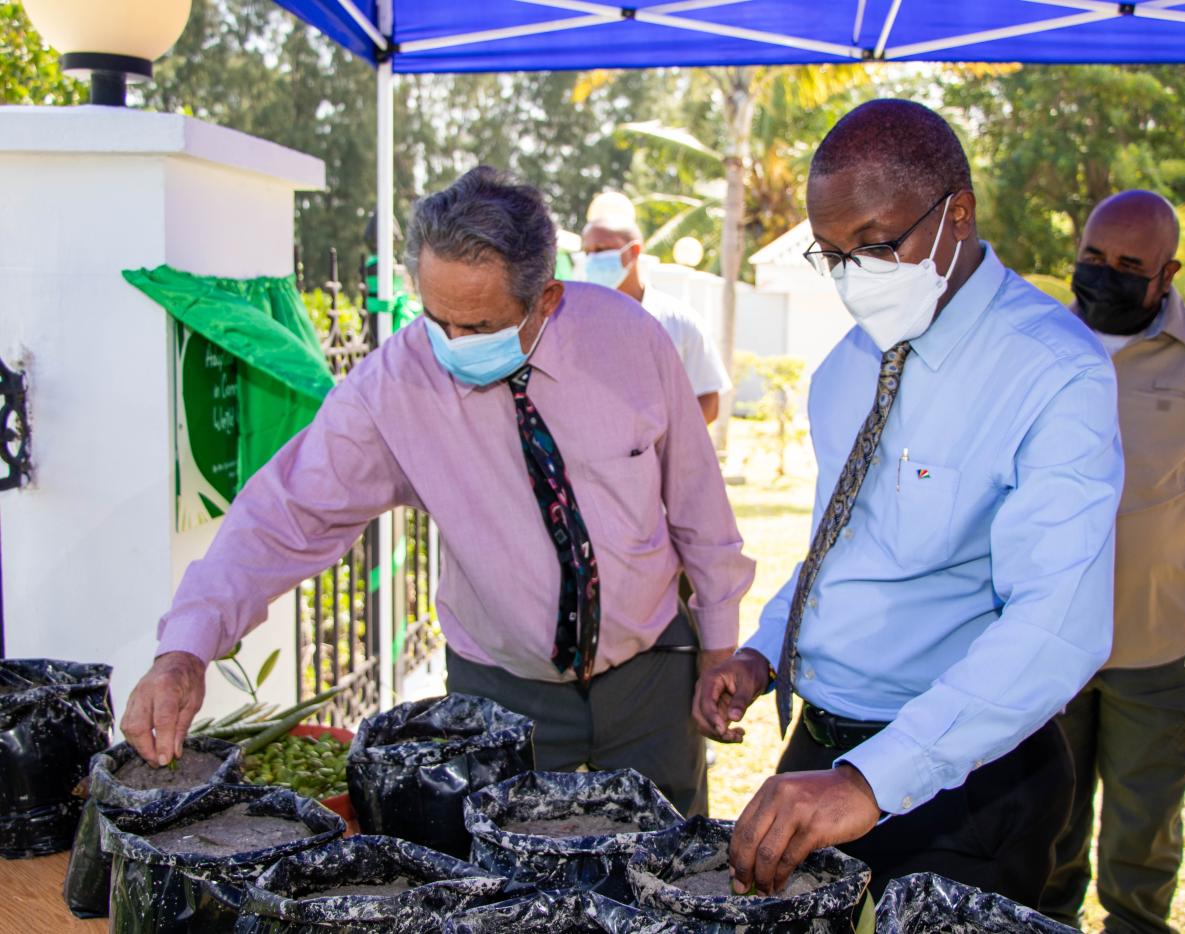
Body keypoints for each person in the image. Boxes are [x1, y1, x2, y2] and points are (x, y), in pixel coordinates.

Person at [121, 166, 754, 817]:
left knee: (661, 862)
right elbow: (284, 514)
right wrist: (186, 649)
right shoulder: (393, 385)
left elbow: (698, 501)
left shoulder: (629, 339)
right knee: (509, 885)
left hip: (651, 672)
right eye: (434, 318)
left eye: (479, 327)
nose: (451, 345)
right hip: (503, 689)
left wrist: (716, 646)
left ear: (546, 299)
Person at [692, 100, 1124, 907]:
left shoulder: (1053, 374)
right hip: (822, 747)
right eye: (833, 256)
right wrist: (765, 649)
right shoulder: (846, 368)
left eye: (877, 245)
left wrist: (870, 780)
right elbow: (840, 547)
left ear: (959, 212)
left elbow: (1058, 625)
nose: (857, 278)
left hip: (966, 782)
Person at [1041, 190, 1185, 934]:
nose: (1104, 275)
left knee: (1141, 841)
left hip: (1157, 649)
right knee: (1047, 825)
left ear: (1167, 273)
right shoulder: (1037, 345)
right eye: (1093, 258)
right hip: (1046, 643)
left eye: (1128, 265)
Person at [580, 193, 731, 424]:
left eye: (601, 250)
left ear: (634, 251)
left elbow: (708, 401)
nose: (592, 259)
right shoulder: (574, 324)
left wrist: (664, 441)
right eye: (587, 252)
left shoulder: (680, 322)